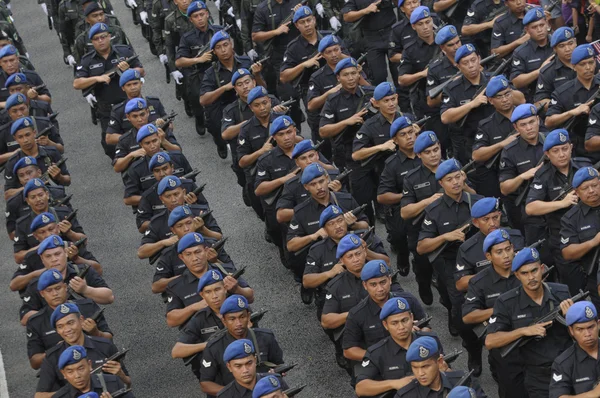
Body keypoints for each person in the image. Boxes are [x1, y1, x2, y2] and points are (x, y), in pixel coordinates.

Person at [417, 158, 482, 369]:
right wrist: (445, 237)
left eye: (458, 177)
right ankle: (472, 348)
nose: (455, 182)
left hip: (479, 259)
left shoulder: (477, 202)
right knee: (458, 309)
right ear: (441, 184)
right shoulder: (434, 210)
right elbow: (422, 246)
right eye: (449, 179)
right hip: (449, 262)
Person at [485, 247, 574, 398]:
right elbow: (490, 341)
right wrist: (523, 331)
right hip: (537, 375)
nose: (531, 277)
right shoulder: (507, 302)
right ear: (517, 276)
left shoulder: (561, 292)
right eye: (524, 273)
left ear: (541, 269)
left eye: (534, 271)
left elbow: (584, 330)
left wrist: (571, 317)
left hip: (568, 368)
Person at [462, 229, 526, 398]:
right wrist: (500, 309)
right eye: (499, 252)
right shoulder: (479, 281)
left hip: (530, 339)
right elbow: (468, 316)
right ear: (488, 256)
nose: (506, 255)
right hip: (503, 344)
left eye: (508, 249)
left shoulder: (525, 272)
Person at [525, 129, 591, 294]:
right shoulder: (544, 175)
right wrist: (562, 203)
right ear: (547, 153)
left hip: (591, 232)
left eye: (564, 148)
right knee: (575, 291)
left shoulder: (584, 166)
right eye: (556, 151)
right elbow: (531, 207)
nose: (561, 154)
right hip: (564, 240)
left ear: (571, 147)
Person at [287, 163, 369, 287]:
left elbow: (366, 225)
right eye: (313, 184)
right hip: (320, 261)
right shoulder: (301, 211)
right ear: (306, 187)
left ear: (327, 178)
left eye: (321, 181)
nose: (319, 187)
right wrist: (313, 236)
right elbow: (291, 245)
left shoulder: (345, 200)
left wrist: (355, 224)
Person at [73, 22, 144, 158]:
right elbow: (77, 83)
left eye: (103, 37)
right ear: (92, 42)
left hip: (130, 103)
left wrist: (128, 71)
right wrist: (97, 79)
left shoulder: (123, 51)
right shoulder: (87, 60)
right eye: (96, 39)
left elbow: (141, 70)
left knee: (140, 133)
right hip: (107, 108)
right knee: (108, 144)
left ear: (109, 37)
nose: (101, 41)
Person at [355, 297, 444, 397]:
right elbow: (360, 388)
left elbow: (446, 370)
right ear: (385, 325)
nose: (401, 327)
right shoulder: (377, 352)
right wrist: (394, 383)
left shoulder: (430, 340)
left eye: (404, 320)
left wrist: (444, 370)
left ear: (411, 317)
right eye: (394, 323)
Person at [35, 303, 129, 398]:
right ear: (57, 331)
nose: (67, 329)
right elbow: (39, 396)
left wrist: (121, 376)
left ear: (81, 320)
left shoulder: (105, 345)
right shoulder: (52, 356)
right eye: (60, 326)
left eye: (70, 323)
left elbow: (128, 384)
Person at [26, 269, 112, 370]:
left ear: (65, 287)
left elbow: (109, 340)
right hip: (61, 373)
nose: (55, 293)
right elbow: (34, 363)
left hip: (96, 364)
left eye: (58, 288)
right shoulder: (36, 322)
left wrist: (95, 332)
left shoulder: (88, 306)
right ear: (42, 293)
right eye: (49, 290)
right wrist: (57, 351)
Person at [343, 260, 426, 365]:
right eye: (373, 284)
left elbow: (427, 327)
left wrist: (418, 333)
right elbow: (348, 350)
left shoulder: (408, 300)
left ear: (390, 280)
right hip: (381, 366)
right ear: (365, 285)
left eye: (383, 282)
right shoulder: (357, 314)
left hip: (413, 358)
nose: (380, 289)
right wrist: (379, 357)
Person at [19, 235, 114, 326]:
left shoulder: (82, 270)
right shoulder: (36, 284)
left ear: (65, 252)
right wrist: (56, 313)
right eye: (48, 256)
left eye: (57, 254)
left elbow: (109, 297)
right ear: (42, 259)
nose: (54, 259)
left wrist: (85, 290)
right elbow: (24, 318)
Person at [200, 294, 284, 396]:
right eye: (232, 319)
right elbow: (205, 384)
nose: (238, 323)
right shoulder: (214, 348)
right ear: (224, 321)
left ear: (248, 317)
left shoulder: (265, 337)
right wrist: (235, 393)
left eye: (242, 317)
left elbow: (279, 365)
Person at [165, 232, 253, 328]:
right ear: (182, 257)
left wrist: (237, 289)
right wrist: (195, 307)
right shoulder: (176, 286)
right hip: (205, 336)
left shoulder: (225, 270)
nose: (194, 258)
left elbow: (250, 297)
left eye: (198, 252)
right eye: (188, 254)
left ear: (206, 251)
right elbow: (171, 320)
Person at [200, 30, 264, 158]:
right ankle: (221, 144)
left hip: (247, 103)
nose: (223, 50)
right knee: (219, 131)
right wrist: (224, 88)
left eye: (225, 45)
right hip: (224, 109)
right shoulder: (211, 72)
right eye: (218, 47)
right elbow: (203, 100)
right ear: (214, 52)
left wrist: (257, 75)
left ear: (231, 44)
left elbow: (262, 88)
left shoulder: (246, 62)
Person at [400, 131, 443, 304]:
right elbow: (405, 212)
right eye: (428, 152)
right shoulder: (412, 178)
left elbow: (473, 195)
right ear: (419, 155)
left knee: (447, 280)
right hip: (421, 233)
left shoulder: (454, 168)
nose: (434, 155)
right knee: (424, 268)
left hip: (448, 228)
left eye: (436, 149)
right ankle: (423, 283)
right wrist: (428, 201)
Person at [351, 82, 402, 225]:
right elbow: (356, 154)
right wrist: (380, 147)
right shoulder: (370, 125)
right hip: (383, 175)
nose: (391, 104)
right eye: (386, 101)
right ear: (376, 103)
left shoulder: (406, 119)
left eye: (393, 99)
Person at [254, 115, 301, 267]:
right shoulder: (266, 160)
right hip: (277, 204)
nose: (287, 137)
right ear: (274, 137)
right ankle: (282, 246)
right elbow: (259, 189)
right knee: (275, 230)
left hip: (302, 199)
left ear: (295, 131)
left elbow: (330, 171)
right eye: (281, 134)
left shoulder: (307, 153)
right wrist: (283, 179)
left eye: (289, 132)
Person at [455, 198, 524, 295]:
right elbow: (460, 284)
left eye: (495, 217)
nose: (492, 223)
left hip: (517, 290)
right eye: (486, 219)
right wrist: (492, 274)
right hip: (489, 295)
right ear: (475, 222)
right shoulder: (467, 248)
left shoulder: (515, 237)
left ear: (500, 215)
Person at [498, 103, 546, 242]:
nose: (529, 128)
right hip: (530, 212)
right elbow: (504, 188)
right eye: (523, 124)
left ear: (538, 120)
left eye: (532, 122)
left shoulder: (551, 141)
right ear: (516, 127)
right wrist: (522, 177)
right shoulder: (510, 151)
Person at [471, 75, 523, 197]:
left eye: (507, 94)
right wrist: (501, 144)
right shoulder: (486, 125)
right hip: (502, 177)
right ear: (490, 100)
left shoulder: (526, 116)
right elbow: (476, 155)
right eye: (499, 97)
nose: (505, 99)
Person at [318, 57, 374, 171]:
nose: (351, 78)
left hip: (373, 148)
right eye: (346, 75)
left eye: (354, 73)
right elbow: (323, 131)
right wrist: (347, 122)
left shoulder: (371, 94)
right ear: (338, 78)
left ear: (359, 75)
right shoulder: (333, 100)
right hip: (348, 153)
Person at [171, 269, 227, 382]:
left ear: (225, 289)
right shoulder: (199, 319)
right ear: (202, 295)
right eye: (208, 292)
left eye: (217, 289)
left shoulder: (239, 310)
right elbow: (176, 351)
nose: (214, 296)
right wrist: (209, 345)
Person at [545, 44, 600, 158]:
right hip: (581, 150)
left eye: (591, 62)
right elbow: (549, 121)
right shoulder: (563, 92)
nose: (588, 67)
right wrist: (572, 112)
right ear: (574, 66)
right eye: (583, 64)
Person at [175, 1, 220, 136]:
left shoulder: (219, 31)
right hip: (198, 74)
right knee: (197, 103)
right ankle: (199, 118)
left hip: (217, 71)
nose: (200, 18)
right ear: (191, 19)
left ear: (207, 14)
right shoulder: (187, 38)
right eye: (196, 16)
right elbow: (179, 61)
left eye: (202, 14)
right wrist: (198, 59)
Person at [13, 178, 84, 264]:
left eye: (40, 195)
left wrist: (70, 233)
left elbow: (84, 240)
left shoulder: (64, 213)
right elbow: (18, 257)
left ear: (47, 195)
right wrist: (41, 247)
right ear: (27, 201)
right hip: (40, 264)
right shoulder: (22, 224)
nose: (38, 199)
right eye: (33, 197)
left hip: (71, 258)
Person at [123, 123, 193, 207]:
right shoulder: (136, 168)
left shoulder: (177, 157)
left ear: (160, 138)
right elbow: (128, 199)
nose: (152, 146)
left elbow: (191, 181)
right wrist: (155, 198)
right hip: (155, 211)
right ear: (141, 145)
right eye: (147, 143)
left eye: (154, 141)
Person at [394, 336, 487, 397]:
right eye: (415, 367)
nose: (420, 373)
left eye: (425, 366)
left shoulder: (465, 381)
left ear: (439, 362)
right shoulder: (405, 396)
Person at [560, 167, 600, 309]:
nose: (591, 190)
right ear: (576, 192)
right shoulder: (571, 218)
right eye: (585, 188)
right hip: (594, 277)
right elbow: (567, 252)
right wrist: (593, 242)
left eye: (595, 185)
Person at [4, 117, 70, 198]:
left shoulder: (51, 152)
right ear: (15, 139)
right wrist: (31, 187)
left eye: (27, 135)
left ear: (34, 133)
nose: (25, 140)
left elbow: (68, 181)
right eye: (20, 137)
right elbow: (8, 194)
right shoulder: (12, 162)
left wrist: (59, 177)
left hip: (56, 199)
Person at [4, 156, 66, 239]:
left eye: (29, 173)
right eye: (22, 175)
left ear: (39, 172)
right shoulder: (13, 203)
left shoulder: (58, 192)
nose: (26, 178)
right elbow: (12, 235)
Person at [105, 69, 167, 151]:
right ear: (123, 88)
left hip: (158, 145)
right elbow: (109, 138)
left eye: (135, 83)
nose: (133, 87)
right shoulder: (118, 110)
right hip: (135, 150)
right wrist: (134, 138)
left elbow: (169, 125)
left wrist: (163, 126)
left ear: (141, 84)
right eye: (129, 85)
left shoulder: (154, 102)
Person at [550, 301, 600, 397]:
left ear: (598, 325)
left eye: (591, 327)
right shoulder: (564, 363)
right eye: (580, 329)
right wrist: (594, 394)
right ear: (571, 330)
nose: (587, 334)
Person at [341, 0, 395, 86]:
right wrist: (365, 11)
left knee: (399, 72)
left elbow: (401, 4)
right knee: (378, 77)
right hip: (371, 37)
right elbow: (346, 16)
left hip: (391, 33)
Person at [51, 346, 135, 398]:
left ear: (89, 365)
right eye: (70, 371)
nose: (77, 375)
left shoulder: (113, 382)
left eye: (81, 368)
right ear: (63, 374)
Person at [509, 7, 553, 103]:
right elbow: (516, 82)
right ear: (527, 30)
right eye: (534, 27)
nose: (539, 30)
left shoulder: (558, 44)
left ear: (547, 24)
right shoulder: (521, 52)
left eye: (542, 25)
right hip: (535, 97)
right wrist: (540, 71)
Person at [217, 339, 287, 398]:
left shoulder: (275, 381)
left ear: (255, 360)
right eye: (238, 366)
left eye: (249, 363)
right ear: (229, 367)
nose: (245, 370)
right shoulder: (225, 396)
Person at [533, 27, 576, 111]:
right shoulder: (548, 72)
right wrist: (563, 105)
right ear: (555, 49)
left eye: (570, 43)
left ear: (576, 42)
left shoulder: (588, 62)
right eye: (562, 46)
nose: (568, 49)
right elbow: (539, 102)